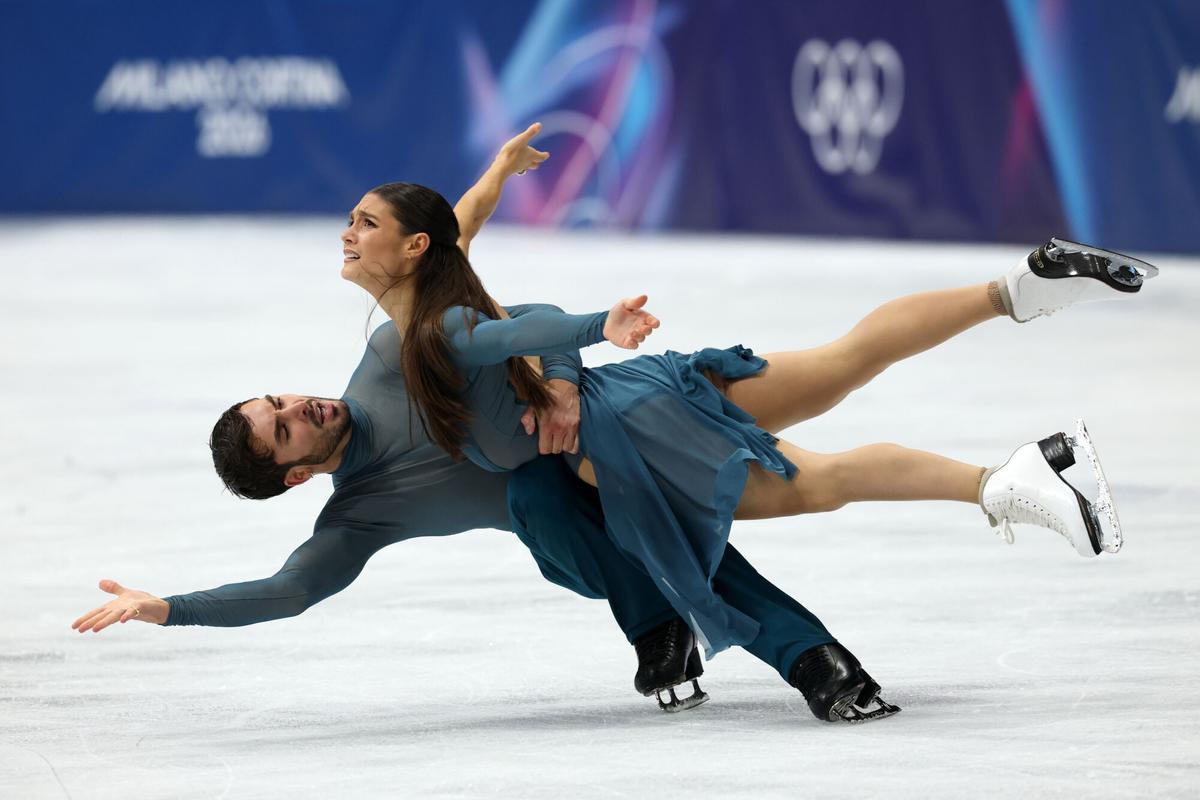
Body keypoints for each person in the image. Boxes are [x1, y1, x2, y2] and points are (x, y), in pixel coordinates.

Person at [70, 126, 889, 724]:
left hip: (608, 446)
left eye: (276, 399)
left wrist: (562, 384)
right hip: (567, 529)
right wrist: (167, 607)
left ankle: (814, 661)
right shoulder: (359, 515)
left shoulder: (391, 353)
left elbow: (462, 272)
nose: (297, 406)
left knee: (680, 527)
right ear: (295, 475)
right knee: (541, 495)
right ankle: (660, 624)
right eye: (283, 430)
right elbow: (289, 591)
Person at [338, 129, 1157, 691]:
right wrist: (497, 174)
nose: (348, 232)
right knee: (846, 360)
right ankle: (1022, 286)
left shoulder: (437, 329)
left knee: (822, 481)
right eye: (352, 220)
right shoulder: (434, 285)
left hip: (626, 438)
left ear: (409, 248)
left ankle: (1011, 480)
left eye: (364, 223)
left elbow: (530, 325)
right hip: (647, 387)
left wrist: (593, 328)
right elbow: (460, 228)